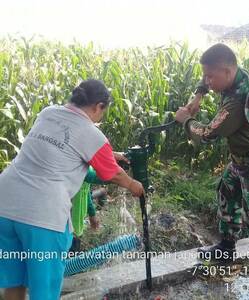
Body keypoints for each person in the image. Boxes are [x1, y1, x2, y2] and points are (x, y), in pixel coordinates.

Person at [0, 79, 144, 300]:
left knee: (15, 282)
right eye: (102, 112)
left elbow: (60, 146)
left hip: (5, 204)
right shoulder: (92, 133)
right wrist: (134, 185)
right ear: (98, 106)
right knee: (44, 291)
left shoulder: (48, 113)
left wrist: (110, 155)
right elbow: (112, 174)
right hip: (41, 215)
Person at [175, 44, 249, 300]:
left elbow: (208, 134)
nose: (208, 81)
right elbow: (207, 77)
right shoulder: (235, 74)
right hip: (240, 162)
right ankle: (226, 248)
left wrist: (186, 120)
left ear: (227, 71)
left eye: (212, 77)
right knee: (227, 194)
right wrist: (198, 96)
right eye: (206, 76)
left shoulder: (236, 103)